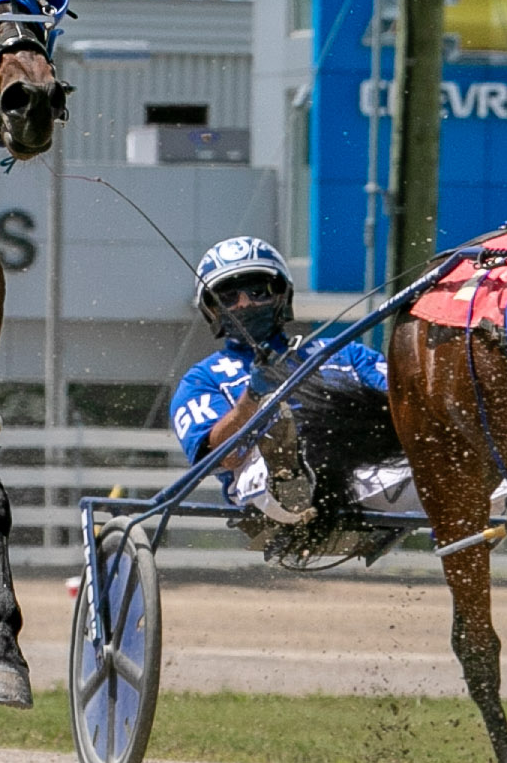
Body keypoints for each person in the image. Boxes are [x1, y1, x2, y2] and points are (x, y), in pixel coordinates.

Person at [167, 236, 394, 550]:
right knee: (268, 456)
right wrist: (252, 397)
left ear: (281, 295)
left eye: (257, 291)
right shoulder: (201, 380)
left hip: (365, 476)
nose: (244, 303)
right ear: (213, 310)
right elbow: (226, 457)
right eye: (229, 297)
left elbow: (408, 411)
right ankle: (290, 473)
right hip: (263, 490)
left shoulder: (347, 353)